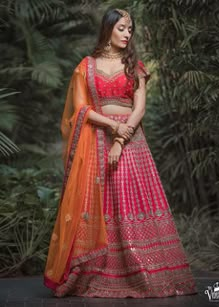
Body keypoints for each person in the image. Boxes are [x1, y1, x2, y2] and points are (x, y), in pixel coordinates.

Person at [44, 8, 198, 298]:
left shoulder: (135, 66)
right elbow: (80, 110)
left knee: (130, 200)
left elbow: (139, 108)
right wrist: (112, 127)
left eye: (131, 30)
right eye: (123, 29)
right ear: (108, 29)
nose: (128, 34)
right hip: (96, 141)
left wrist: (120, 138)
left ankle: (142, 270)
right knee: (101, 205)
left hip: (131, 142)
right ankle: (97, 272)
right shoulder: (86, 67)